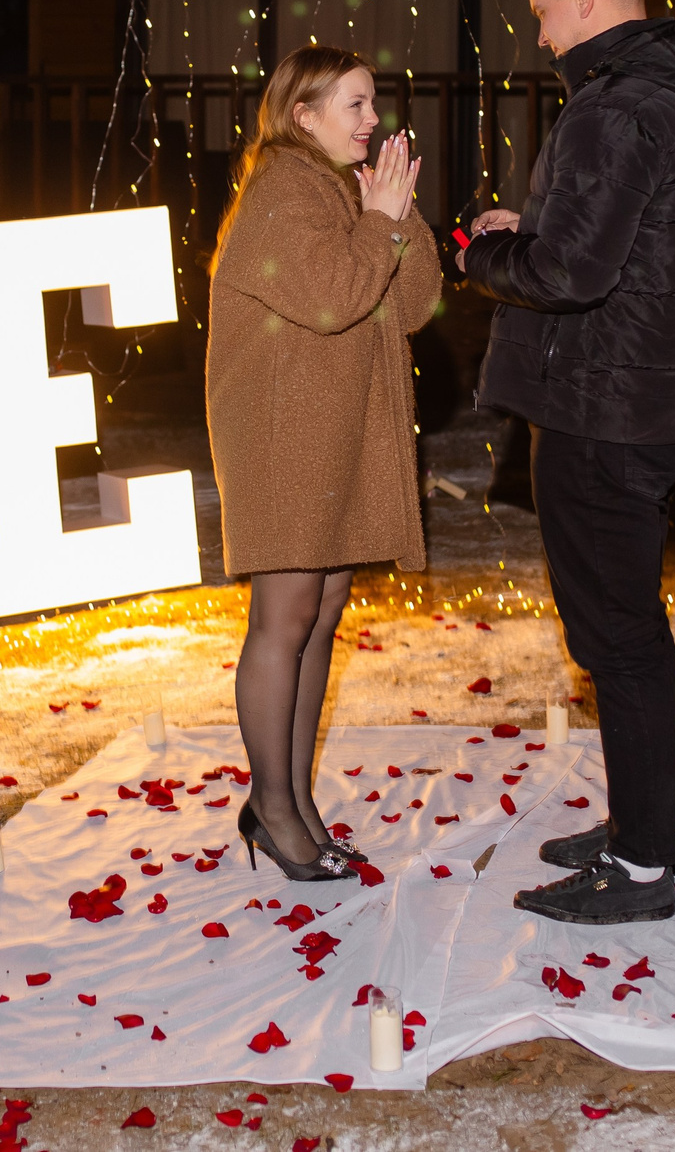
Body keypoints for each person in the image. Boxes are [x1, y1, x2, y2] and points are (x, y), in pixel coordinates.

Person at [457, 0, 675, 925]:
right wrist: (536, 226)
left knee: (617, 636)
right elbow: (635, 243)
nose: (540, 35)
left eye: (543, 11)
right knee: (627, 628)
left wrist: (482, 254)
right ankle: (645, 828)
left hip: (603, 408)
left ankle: (639, 866)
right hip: (657, 401)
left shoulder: (613, 108)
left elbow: (571, 275)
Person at [207, 44, 440, 880]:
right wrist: (379, 221)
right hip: (280, 435)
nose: (373, 119)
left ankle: (294, 800)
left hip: (330, 431)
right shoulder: (281, 190)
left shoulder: (340, 188)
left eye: (373, 102)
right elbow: (337, 297)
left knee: (322, 606)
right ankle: (272, 807)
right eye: (356, 104)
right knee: (284, 616)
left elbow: (410, 305)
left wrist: (399, 212)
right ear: (302, 115)